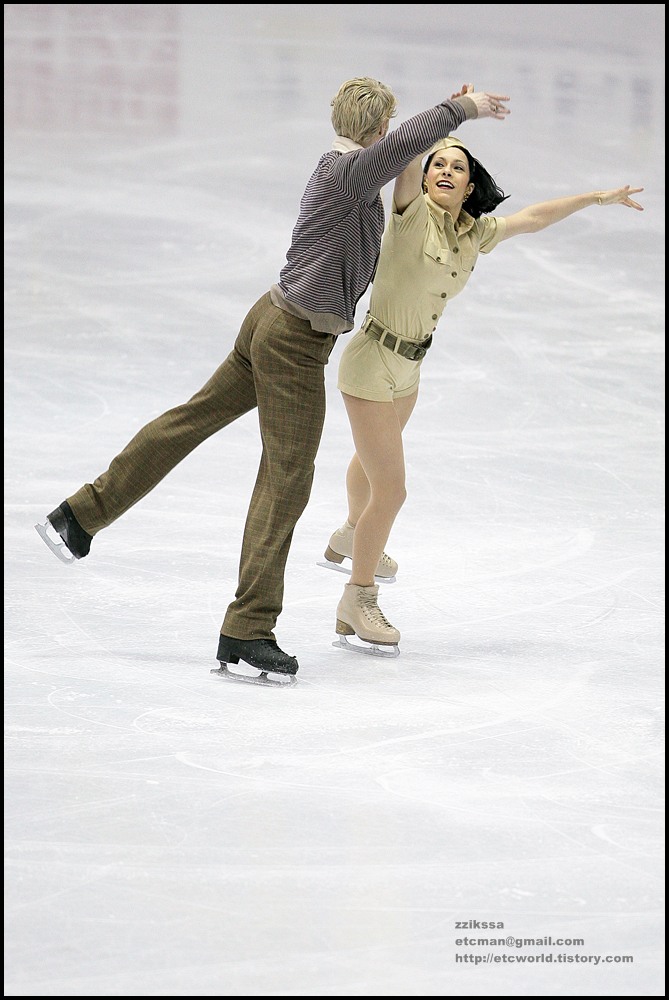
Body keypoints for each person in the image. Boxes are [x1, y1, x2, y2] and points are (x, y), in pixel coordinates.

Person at [35, 78, 511, 685]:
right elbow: (405, 148)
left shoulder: (342, 164)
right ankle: (248, 630)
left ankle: (79, 516)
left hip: (271, 317)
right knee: (286, 481)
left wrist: (442, 112)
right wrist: (462, 109)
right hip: (292, 342)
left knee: (191, 420)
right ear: (378, 131)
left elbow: (403, 155)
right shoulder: (351, 173)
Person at [324, 130, 644, 655]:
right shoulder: (409, 214)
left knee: (373, 460)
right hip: (371, 361)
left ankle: (353, 535)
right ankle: (357, 598)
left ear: (471, 185)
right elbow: (403, 156)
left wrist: (594, 198)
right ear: (424, 177)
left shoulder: (472, 233)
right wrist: (442, 119)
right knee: (394, 488)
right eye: (437, 165)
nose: (444, 172)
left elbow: (533, 218)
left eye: (456, 167)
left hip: (410, 367)